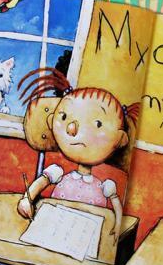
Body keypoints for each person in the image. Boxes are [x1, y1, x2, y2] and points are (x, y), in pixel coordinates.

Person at [16, 67, 139, 241]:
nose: (72, 129)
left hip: (86, 237)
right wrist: (26, 200)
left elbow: (117, 215)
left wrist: (117, 227)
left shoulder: (106, 187)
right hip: (54, 232)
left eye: (97, 123)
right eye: (64, 117)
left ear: (120, 140)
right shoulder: (56, 173)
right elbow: (38, 186)